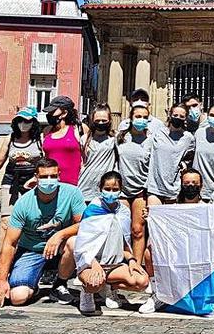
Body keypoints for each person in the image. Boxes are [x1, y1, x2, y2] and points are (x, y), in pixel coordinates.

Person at [0, 158, 86, 308]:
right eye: (44, 177)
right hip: (32, 249)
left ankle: (60, 284)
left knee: (73, 243)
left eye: (53, 176)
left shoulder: (72, 193)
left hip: (60, 248)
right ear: (36, 177)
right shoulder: (24, 203)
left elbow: (85, 224)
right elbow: (9, 243)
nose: (49, 180)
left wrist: (59, 235)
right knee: (17, 298)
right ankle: (32, 286)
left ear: (59, 175)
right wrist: (1, 281)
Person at [74, 171, 149, 315]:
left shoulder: (124, 212)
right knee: (94, 283)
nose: (111, 193)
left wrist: (132, 260)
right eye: (107, 189)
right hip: (91, 263)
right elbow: (82, 246)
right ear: (100, 188)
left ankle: (109, 288)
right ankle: (87, 292)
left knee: (142, 281)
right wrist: (93, 264)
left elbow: (125, 244)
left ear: (121, 190)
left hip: (114, 265)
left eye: (115, 190)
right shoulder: (92, 210)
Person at [0, 106, 43, 274]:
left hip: (32, 183)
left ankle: (25, 259)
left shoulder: (40, 139)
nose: (23, 124)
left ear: (33, 123)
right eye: (20, 120)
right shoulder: (9, 138)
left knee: (31, 222)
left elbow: (46, 162)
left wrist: (39, 179)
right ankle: (2, 261)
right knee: (5, 223)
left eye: (27, 121)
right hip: (11, 182)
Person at [139, 169, 206, 314]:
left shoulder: (208, 208)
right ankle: (158, 293)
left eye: (194, 183)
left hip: (199, 253)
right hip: (176, 251)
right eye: (186, 183)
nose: (190, 186)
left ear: (201, 186)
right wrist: (151, 216)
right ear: (181, 185)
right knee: (149, 253)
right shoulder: (171, 209)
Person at [117, 103, 154, 263]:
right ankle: (121, 263)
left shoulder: (151, 140)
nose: (142, 120)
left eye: (145, 117)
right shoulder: (120, 138)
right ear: (131, 118)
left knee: (138, 230)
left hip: (140, 190)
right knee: (121, 230)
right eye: (138, 116)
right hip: (121, 191)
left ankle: (137, 265)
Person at [148, 103, 196, 204]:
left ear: (186, 118)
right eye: (175, 115)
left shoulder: (188, 138)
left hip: (174, 188)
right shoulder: (158, 133)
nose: (178, 118)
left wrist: (184, 164)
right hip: (155, 187)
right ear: (170, 115)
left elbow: (189, 158)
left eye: (181, 116)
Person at [77, 104, 119, 203]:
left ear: (109, 121)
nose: (100, 123)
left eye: (104, 120)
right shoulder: (84, 139)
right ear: (92, 120)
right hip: (84, 187)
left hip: (105, 191)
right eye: (97, 120)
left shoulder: (114, 139)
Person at [42, 96, 87, 186]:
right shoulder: (47, 131)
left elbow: (87, 156)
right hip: (50, 183)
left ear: (64, 113)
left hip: (74, 184)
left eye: (53, 111)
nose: (49, 114)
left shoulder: (79, 129)